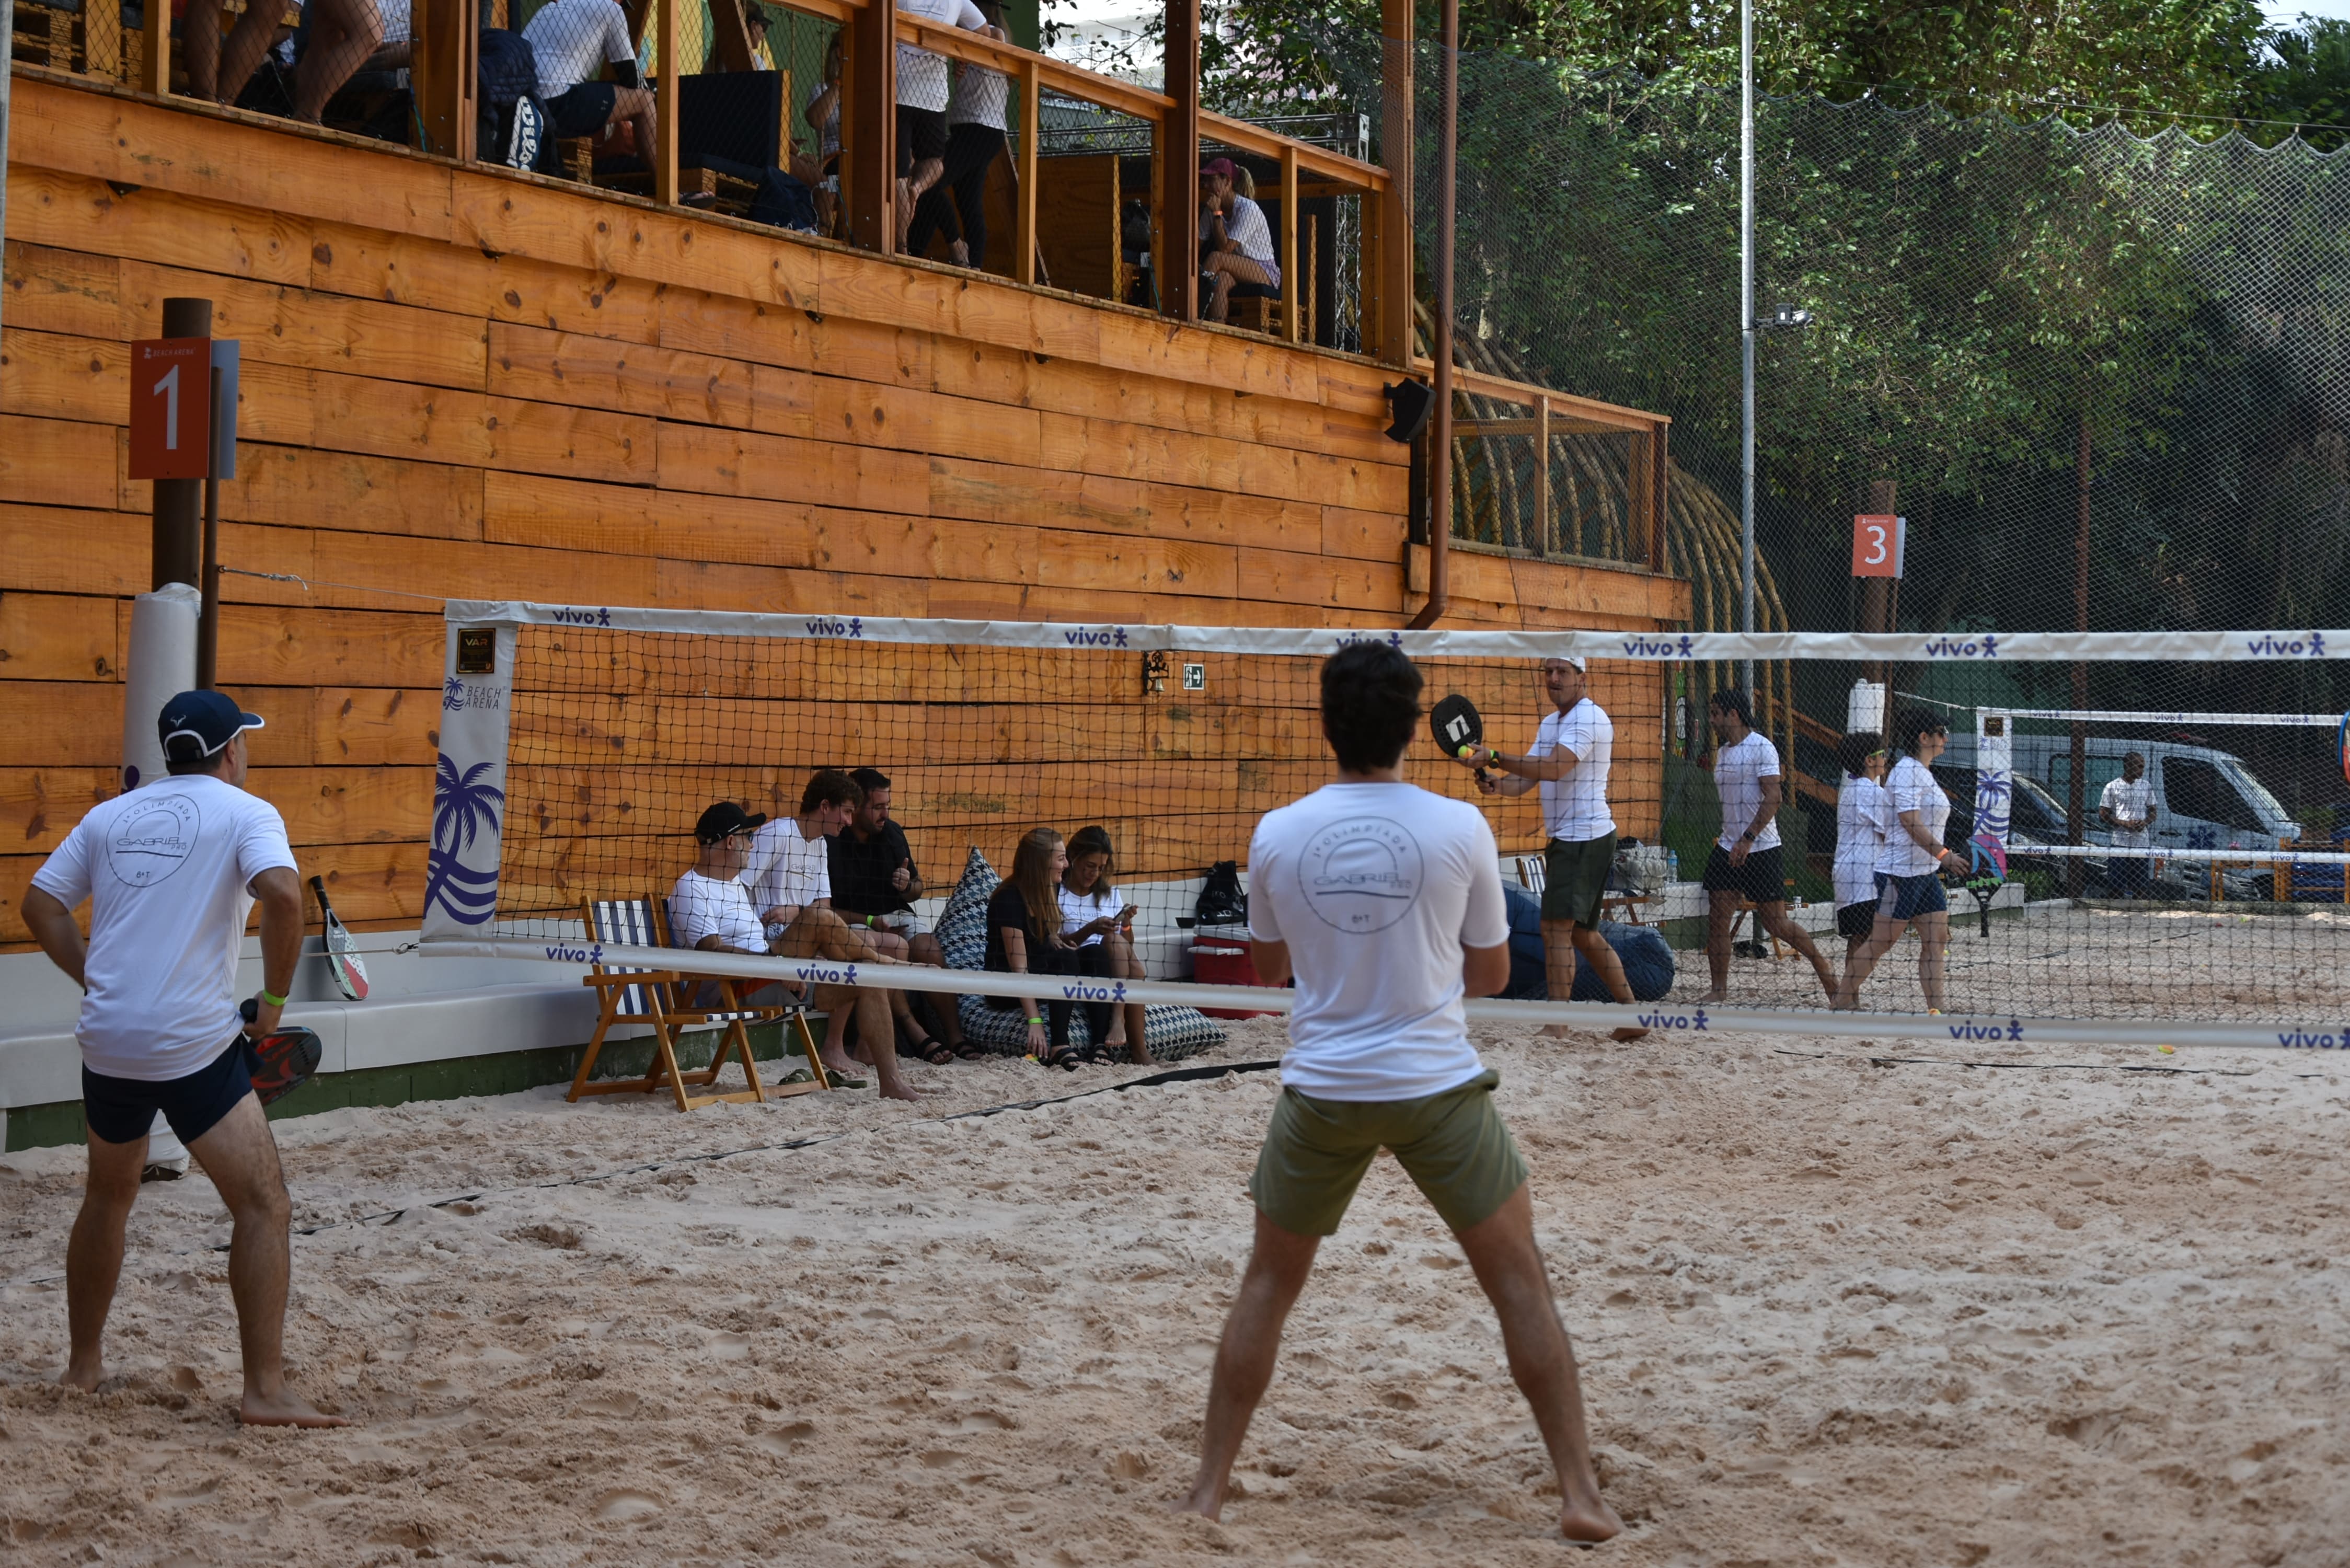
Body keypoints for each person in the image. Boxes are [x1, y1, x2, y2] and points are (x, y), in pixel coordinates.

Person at [1174, 643, 1620, 1546]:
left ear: (1327, 726)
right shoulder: (1460, 827)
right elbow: (1491, 978)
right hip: (1435, 1086)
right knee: (1521, 1284)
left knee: (1267, 1285)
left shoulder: (1277, 833)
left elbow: (1270, 969)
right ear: (1417, 728)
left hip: (1324, 1090)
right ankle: (1580, 1494)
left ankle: (1206, 1494)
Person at [18, 690, 347, 1428]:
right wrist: (273, 1001)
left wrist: (98, 979)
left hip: (109, 1040)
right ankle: (264, 1391)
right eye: (245, 743)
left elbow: (39, 905)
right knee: (263, 1204)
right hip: (190, 1043)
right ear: (231, 751)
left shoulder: (110, 815)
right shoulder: (248, 812)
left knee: (108, 1197)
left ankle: (83, 1368)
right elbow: (284, 897)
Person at [1455, 656, 1645, 1041]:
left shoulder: (1589, 718)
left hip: (1583, 837)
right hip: (1575, 838)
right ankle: (1633, 1016)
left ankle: (1557, 1023)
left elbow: (1554, 768)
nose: (1553, 679)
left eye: (1563, 672)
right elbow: (1528, 778)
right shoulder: (1551, 723)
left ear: (1582, 678)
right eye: (1548, 672)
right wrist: (1497, 784)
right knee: (1583, 935)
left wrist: (1495, 757)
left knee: (1554, 929)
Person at [743, 769, 922, 1101]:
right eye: (847, 812)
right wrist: (769, 945)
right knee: (835, 929)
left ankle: (892, 1082)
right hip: (767, 962)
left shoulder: (821, 845)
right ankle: (892, 965)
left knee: (868, 978)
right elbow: (735, 890)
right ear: (825, 807)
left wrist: (798, 913)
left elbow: (823, 906)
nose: (849, 821)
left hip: (806, 959)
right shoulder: (777, 834)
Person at [1700, 687, 1838, 1003]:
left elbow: (1773, 797)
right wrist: (1736, 841)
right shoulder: (1723, 753)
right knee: (1717, 921)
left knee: (1776, 924)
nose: (1712, 720)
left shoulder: (1762, 747)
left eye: (1716, 714)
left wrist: (1747, 839)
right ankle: (1719, 990)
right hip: (1727, 847)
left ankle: (1825, 971)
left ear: (1734, 714)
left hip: (1761, 848)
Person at [828, 768, 971, 1062]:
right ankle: (910, 1032)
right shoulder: (833, 840)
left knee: (929, 949)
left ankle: (956, 1038)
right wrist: (871, 922)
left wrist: (907, 886)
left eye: (888, 806)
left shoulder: (892, 832)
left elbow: (917, 888)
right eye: (878, 807)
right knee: (886, 949)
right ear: (856, 807)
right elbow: (824, 910)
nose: (885, 814)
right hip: (853, 921)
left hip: (896, 915)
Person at [1836, 709, 1962, 1012]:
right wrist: (1944, 854)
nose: (1946, 738)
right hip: (1898, 874)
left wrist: (1939, 857)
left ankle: (1936, 1010)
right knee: (1880, 941)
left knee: (1936, 940)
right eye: (1941, 732)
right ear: (1924, 738)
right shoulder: (1906, 772)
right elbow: (1909, 821)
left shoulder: (1923, 772)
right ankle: (1841, 1001)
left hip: (1925, 872)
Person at [986, 827, 1117, 1067]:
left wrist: (1054, 938)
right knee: (1066, 959)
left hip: (1039, 970)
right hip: (1006, 986)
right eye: (1061, 859)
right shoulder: (1009, 899)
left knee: (1095, 954)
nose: (1067, 865)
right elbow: (1019, 969)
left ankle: (1100, 1044)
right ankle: (1059, 1045)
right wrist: (1035, 1022)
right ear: (1041, 863)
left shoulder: (1050, 887)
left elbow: (1042, 935)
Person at [906, 0, 1016, 268]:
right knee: (968, 202)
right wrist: (961, 59)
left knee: (931, 180)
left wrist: (963, 53)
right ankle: (973, 264)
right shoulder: (967, 40)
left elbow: (993, 37)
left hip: (981, 127)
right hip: (973, 127)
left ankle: (949, 246)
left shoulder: (996, 36)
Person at [895, 0, 994, 252]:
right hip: (934, 97)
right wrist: (962, 55)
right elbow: (985, 33)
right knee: (934, 162)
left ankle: (901, 246)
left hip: (897, 89)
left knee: (899, 174)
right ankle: (917, 188)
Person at [522, 0, 657, 169]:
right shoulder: (611, 9)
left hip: (526, 107)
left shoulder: (549, 9)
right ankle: (668, 183)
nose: (621, 6)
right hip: (560, 103)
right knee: (644, 101)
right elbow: (632, 79)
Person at [1059, 824, 1148, 1063]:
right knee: (1134, 968)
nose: (1095, 873)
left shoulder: (1110, 894)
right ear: (1073, 858)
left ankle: (1138, 1049)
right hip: (1083, 965)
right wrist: (1090, 929)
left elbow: (1127, 944)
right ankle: (1125, 1029)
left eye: (1100, 868)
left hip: (1115, 963)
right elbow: (1055, 945)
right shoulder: (1058, 894)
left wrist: (1126, 923)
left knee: (1116, 943)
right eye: (1090, 866)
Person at [1196, 158, 1280, 324]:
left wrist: (1217, 214)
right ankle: (1218, 328)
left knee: (1216, 257)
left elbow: (1225, 249)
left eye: (1211, 180)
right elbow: (1196, 242)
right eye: (1205, 180)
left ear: (1228, 182)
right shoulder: (1211, 208)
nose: (1206, 186)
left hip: (1263, 270)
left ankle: (1195, 311)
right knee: (1221, 280)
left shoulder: (1248, 209)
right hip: (1236, 266)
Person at [1831, 732, 1891, 958]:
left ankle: (1852, 982)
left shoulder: (1852, 790)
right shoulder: (1871, 793)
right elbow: (1891, 834)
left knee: (1862, 938)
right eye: (1882, 754)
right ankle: (1851, 983)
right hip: (1863, 877)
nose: (1885, 758)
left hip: (1851, 873)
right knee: (1864, 938)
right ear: (1869, 760)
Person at [2099, 751, 2157, 899]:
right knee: (2116, 887)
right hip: (2120, 842)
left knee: (2141, 887)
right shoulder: (2112, 786)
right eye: (2139, 766)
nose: (2142, 770)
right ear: (2128, 766)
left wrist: (2144, 822)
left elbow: (2153, 812)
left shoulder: (2146, 786)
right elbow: (2103, 814)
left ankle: (2138, 910)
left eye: (2143, 767)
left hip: (2141, 843)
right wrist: (2124, 824)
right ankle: (2114, 909)